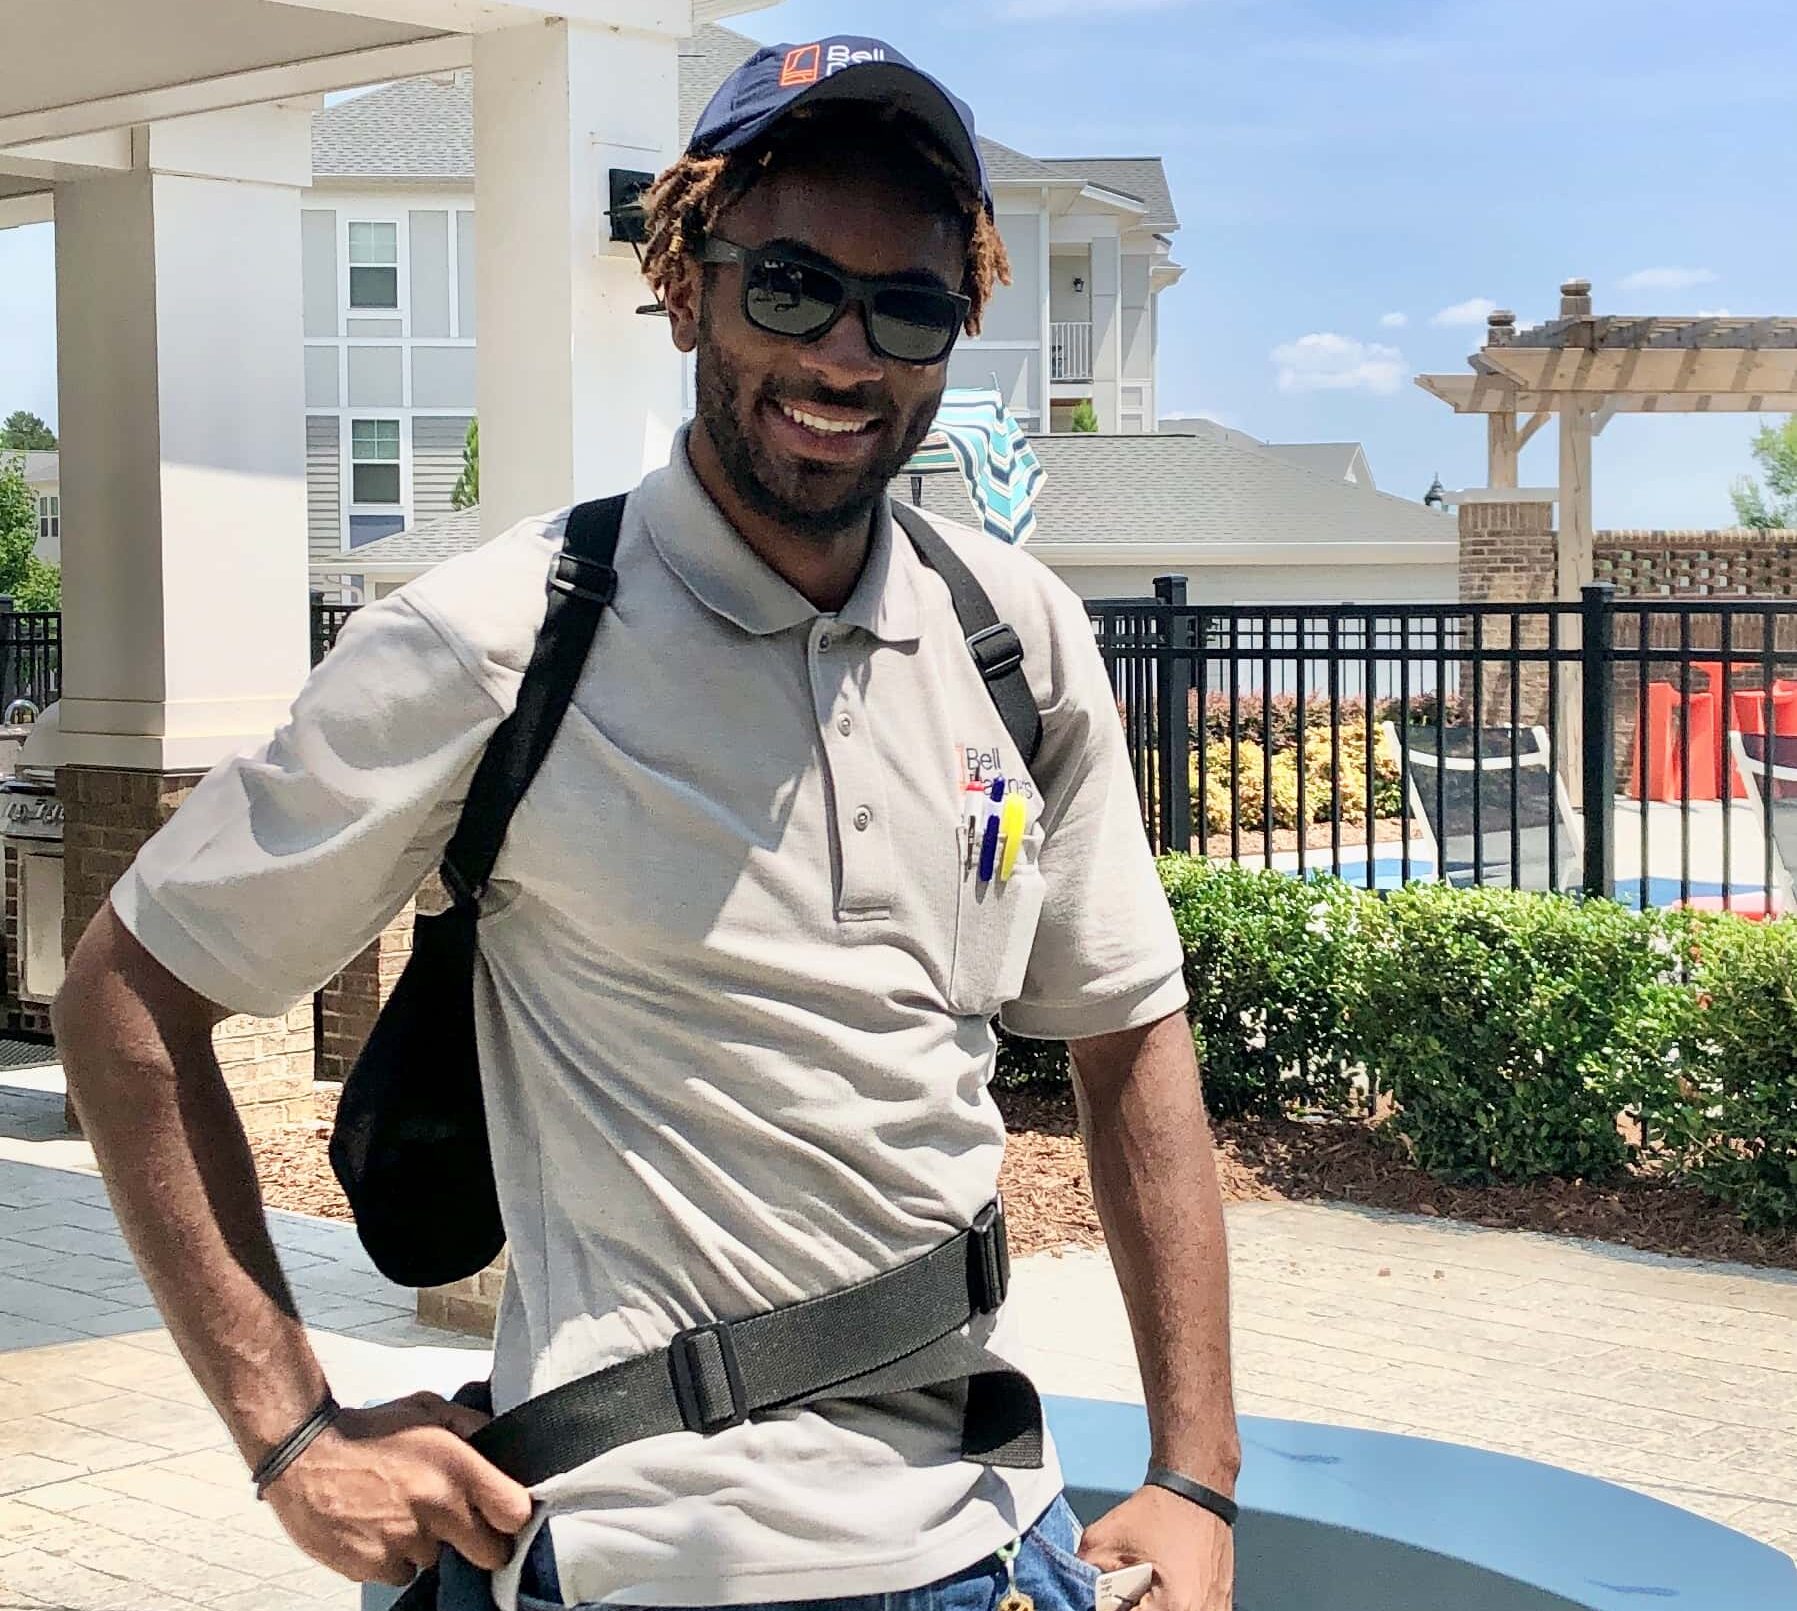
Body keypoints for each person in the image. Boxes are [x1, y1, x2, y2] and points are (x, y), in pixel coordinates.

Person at [54, 35, 1239, 1611]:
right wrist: (291, 1436)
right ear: (683, 283)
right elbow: (127, 998)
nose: (844, 354)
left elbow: (1129, 1036)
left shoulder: (1013, 642)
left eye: (908, 306)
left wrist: (1191, 1476)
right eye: (790, 285)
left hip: (987, 1540)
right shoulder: (497, 638)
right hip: (629, 1557)